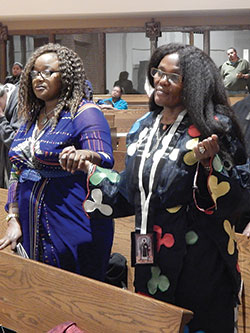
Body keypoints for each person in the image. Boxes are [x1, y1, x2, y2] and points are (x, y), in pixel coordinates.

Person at [59, 43, 250, 332]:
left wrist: (209, 165)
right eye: (158, 72)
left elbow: (233, 200)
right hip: (150, 252)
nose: (161, 80)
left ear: (193, 84)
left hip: (200, 260)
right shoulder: (143, 127)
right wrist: (88, 168)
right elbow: (128, 191)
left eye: (173, 76)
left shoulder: (215, 126)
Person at [0, 43, 114, 282]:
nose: (38, 78)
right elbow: (16, 170)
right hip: (32, 224)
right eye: (34, 73)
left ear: (67, 77)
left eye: (48, 72)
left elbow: (105, 159)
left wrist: (85, 156)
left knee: (72, 289)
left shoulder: (85, 112)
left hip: (72, 219)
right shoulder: (31, 118)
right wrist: (13, 218)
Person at [0, 83, 20, 188]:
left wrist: (1, 119)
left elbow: (16, 143)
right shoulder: (6, 102)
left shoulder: (18, 102)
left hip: (14, 170)